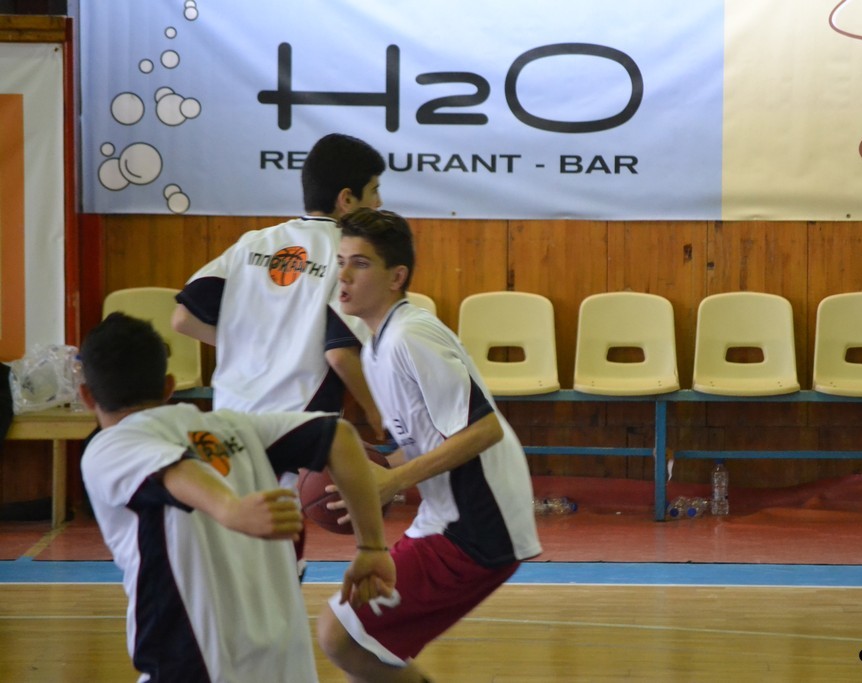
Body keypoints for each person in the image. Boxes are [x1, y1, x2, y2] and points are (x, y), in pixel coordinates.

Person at [79, 313, 395, 682]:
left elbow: (174, 469)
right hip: (286, 671)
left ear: (86, 396)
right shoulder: (235, 427)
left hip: (194, 668)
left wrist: (230, 509)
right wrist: (372, 547)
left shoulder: (109, 447)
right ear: (169, 386)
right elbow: (340, 436)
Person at [316, 208, 542, 682]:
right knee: (365, 649)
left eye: (360, 263)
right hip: (446, 517)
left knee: (341, 635)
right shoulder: (376, 347)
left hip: (478, 525)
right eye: (340, 262)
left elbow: (484, 430)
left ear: (396, 276)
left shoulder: (410, 335)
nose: (344, 275)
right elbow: (413, 445)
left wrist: (392, 481)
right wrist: (361, 475)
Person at [172, 133, 387, 576]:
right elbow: (339, 354)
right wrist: (375, 409)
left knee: (234, 547)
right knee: (277, 553)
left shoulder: (253, 242)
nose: (380, 202)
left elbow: (183, 319)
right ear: (347, 199)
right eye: (374, 190)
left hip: (230, 415)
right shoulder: (348, 255)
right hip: (294, 421)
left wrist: (250, 343)